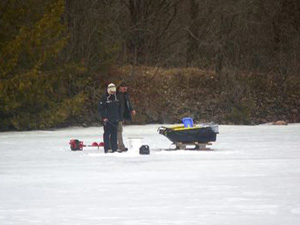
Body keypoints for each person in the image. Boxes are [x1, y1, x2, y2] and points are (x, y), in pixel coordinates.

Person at [99, 83, 121, 153]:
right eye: (111, 91)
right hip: (107, 119)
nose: (113, 92)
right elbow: (101, 109)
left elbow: (119, 108)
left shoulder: (116, 98)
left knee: (114, 133)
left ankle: (114, 147)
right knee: (107, 133)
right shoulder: (104, 98)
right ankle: (107, 148)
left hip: (115, 119)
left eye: (114, 91)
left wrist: (119, 117)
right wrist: (104, 117)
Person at [116, 82, 136, 152]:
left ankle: (119, 145)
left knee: (119, 130)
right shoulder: (116, 95)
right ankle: (120, 146)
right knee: (118, 130)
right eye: (124, 88)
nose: (125, 89)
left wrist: (131, 109)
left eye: (126, 88)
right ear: (120, 87)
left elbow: (128, 103)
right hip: (116, 116)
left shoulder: (125, 95)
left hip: (121, 115)